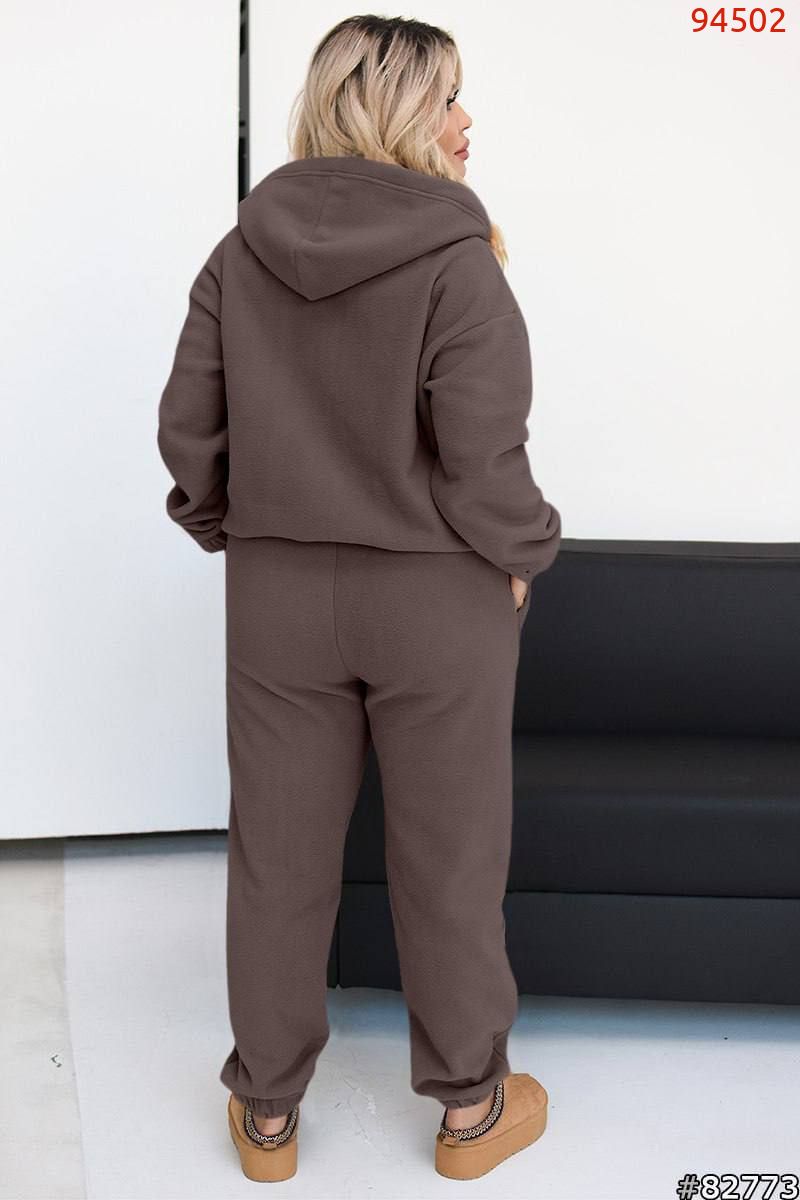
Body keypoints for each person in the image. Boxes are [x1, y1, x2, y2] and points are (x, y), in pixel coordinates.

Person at [157, 12, 562, 1183]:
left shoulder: (240, 251)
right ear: (394, 111)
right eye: (448, 98)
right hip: (436, 598)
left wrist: (231, 529)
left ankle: (267, 1115)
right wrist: (525, 554)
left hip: (278, 596)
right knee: (448, 853)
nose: (466, 120)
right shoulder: (455, 261)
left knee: (275, 856)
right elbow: (482, 461)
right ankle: (471, 1112)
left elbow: (189, 430)